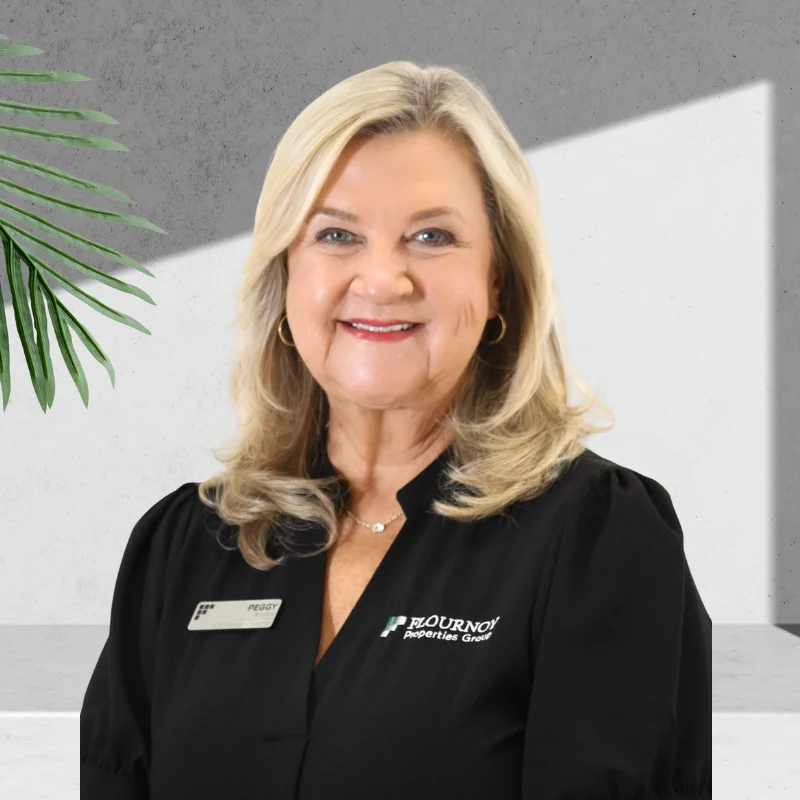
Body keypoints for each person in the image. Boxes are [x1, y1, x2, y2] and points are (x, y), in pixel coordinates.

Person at [80, 61, 712, 799]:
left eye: (433, 236)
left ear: (499, 278)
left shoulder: (597, 541)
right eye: (337, 234)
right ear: (287, 277)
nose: (382, 279)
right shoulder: (183, 549)